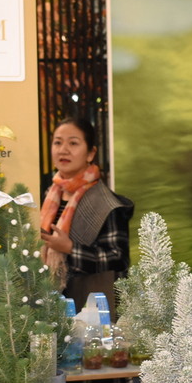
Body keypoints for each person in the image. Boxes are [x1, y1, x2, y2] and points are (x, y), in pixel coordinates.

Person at [40, 116, 133, 312]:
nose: (63, 150)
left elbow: (119, 259)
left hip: (92, 308)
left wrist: (70, 249)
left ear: (91, 153)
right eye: (58, 142)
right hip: (50, 303)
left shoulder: (106, 203)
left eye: (73, 143)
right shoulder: (49, 196)